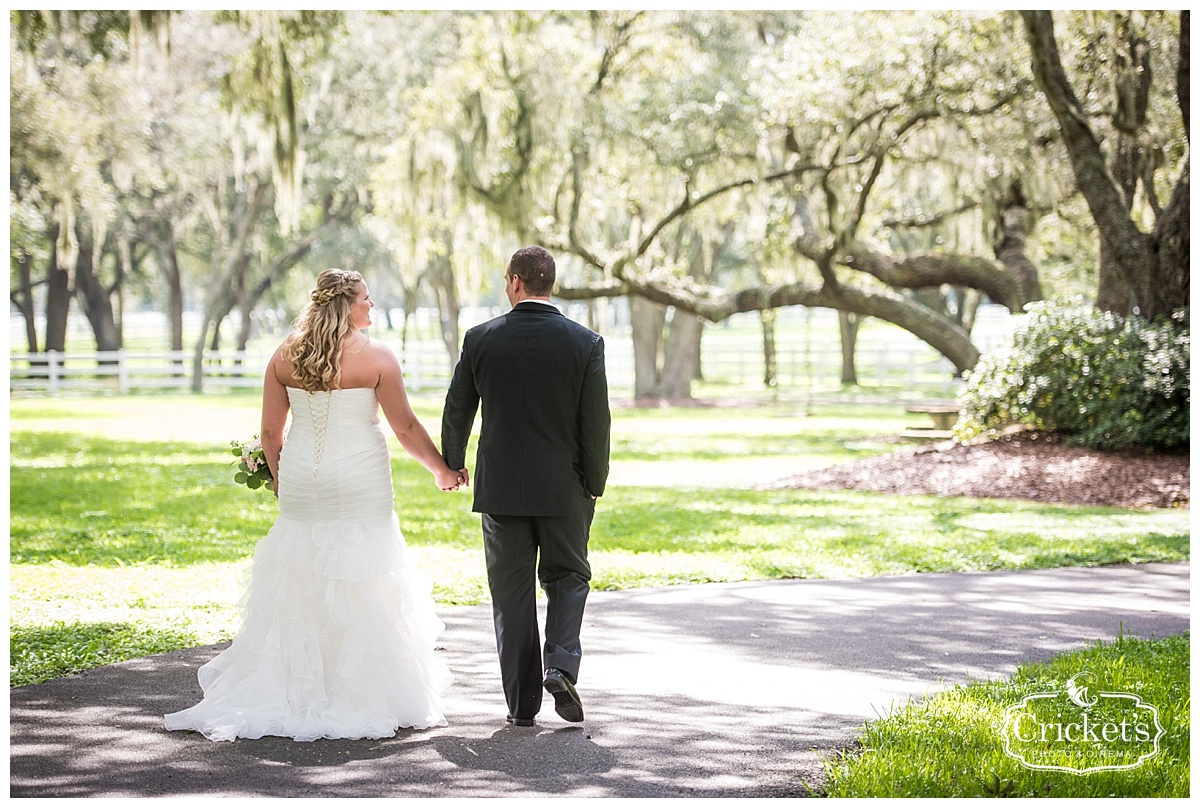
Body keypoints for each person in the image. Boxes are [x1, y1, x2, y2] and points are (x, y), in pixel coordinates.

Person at [165, 268, 460, 742]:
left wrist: (282, 479)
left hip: (303, 477)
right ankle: (360, 693)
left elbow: (269, 434)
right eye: (366, 299)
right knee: (365, 571)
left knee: (299, 571)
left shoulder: (285, 355)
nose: (371, 306)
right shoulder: (378, 356)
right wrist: (441, 471)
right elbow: (404, 427)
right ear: (347, 305)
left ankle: (296, 689)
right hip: (360, 479)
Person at [441, 245, 611, 727]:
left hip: (501, 491)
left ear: (515, 281)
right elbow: (596, 424)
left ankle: (521, 707)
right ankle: (559, 665)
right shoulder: (585, 343)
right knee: (569, 577)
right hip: (565, 489)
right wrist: (593, 484)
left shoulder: (481, 339)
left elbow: (458, 410)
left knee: (511, 594)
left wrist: (454, 464)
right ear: (549, 283)